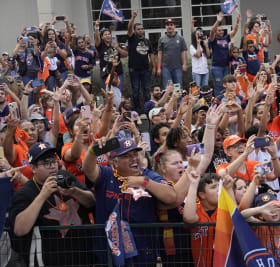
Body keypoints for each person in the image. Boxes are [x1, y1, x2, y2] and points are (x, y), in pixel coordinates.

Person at [83, 137, 178, 265]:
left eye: (135, 154)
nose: (134, 159)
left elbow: (171, 196)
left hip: (142, 253)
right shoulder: (107, 175)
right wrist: (93, 151)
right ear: (115, 162)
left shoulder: (148, 175)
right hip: (108, 255)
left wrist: (144, 182)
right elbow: (88, 169)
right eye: (127, 156)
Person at [8, 142, 95, 266]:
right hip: (50, 260)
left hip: (82, 256)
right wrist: (43, 195)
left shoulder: (65, 177)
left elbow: (91, 202)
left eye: (54, 161)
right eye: (46, 163)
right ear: (33, 168)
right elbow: (20, 229)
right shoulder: (25, 193)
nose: (52, 166)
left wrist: (75, 191)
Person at [127, 10, 156, 112]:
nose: (141, 31)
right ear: (135, 31)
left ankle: (148, 110)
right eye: (138, 29)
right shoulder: (132, 39)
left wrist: (154, 67)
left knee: (147, 91)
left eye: (142, 29)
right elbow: (129, 27)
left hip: (146, 70)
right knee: (136, 91)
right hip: (134, 70)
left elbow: (151, 54)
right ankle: (138, 111)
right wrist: (133, 17)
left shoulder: (147, 41)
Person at [209, 12, 241, 96]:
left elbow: (234, 32)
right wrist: (217, 21)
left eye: (222, 30)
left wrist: (237, 22)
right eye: (219, 30)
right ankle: (219, 103)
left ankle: (227, 101)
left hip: (226, 66)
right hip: (217, 67)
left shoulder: (226, 38)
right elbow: (211, 32)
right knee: (219, 86)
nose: (221, 32)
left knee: (228, 85)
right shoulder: (213, 40)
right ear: (216, 32)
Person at [94, 19, 127, 91]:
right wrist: (96, 27)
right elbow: (97, 38)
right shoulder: (100, 46)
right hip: (106, 74)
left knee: (118, 93)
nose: (108, 36)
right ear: (102, 37)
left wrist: (118, 48)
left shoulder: (115, 44)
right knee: (109, 94)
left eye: (109, 34)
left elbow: (125, 54)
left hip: (118, 73)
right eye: (105, 35)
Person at [157, 19, 188, 90]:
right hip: (166, 69)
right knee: (168, 89)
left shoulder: (180, 38)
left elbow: (184, 51)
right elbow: (159, 53)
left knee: (177, 88)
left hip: (178, 68)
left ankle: (179, 101)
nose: (169, 26)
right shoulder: (162, 39)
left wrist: (185, 64)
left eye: (171, 25)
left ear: (174, 26)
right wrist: (158, 68)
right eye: (168, 25)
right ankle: (169, 101)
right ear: (165, 27)